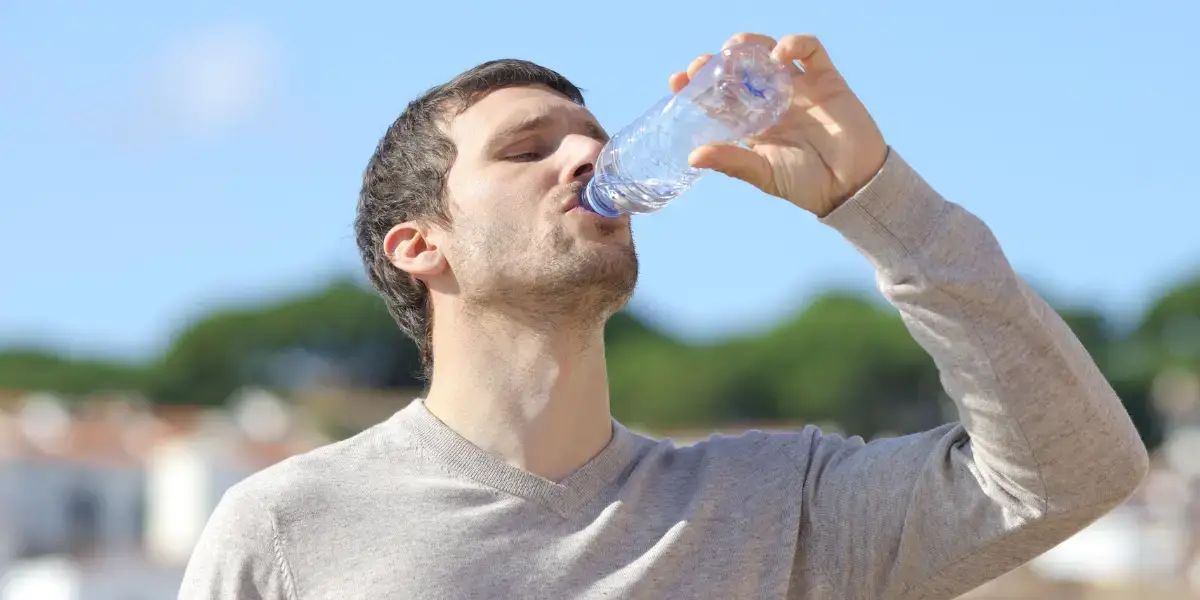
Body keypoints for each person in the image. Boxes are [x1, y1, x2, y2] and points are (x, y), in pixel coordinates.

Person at [179, 33, 1149, 599]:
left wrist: (879, 200)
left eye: (596, 143)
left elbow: (1075, 471)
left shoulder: (779, 511)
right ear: (419, 245)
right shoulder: (286, 531)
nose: (585, 162)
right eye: (528, 150)